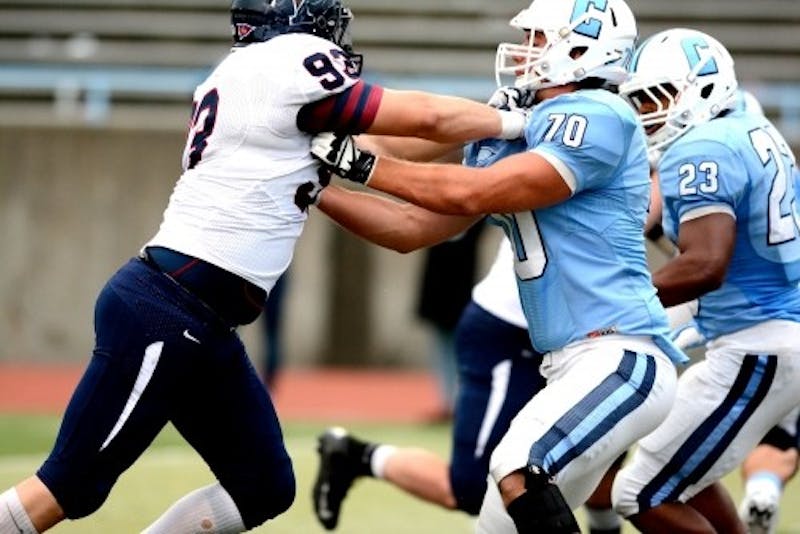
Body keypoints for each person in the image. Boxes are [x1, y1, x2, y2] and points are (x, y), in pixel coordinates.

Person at [0, 0, 533, 532]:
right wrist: (514, 120)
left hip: (201, 319)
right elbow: (426, 118)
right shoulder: (289, 60)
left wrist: (479, 131)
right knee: (66, 487)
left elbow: (385, 144)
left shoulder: (255, 78)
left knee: (262, 485)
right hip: (167, 308)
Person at [308, 0, 688, 531]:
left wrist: (364, 165)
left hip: (620, 354)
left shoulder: (601, 114)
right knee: (494, 522)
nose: (526, 50)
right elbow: (411, 230)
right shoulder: (533, 122)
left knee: (516, 464)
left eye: (538, 38)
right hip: (569, 362)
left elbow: (474, 191)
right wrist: (316, 192)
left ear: (582, 48)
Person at [611, 28, 800, 533]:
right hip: (767, 330)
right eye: (643, 99)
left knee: (639, 492)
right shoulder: (744, 122)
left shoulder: (702, 148)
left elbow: (704, 265)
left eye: (661, 95)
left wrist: (619, 308)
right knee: (675, 474)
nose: (651, 110)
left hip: (758, 341)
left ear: (703, 87)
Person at [415, 222, 486, 418]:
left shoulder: (474, 218)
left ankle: (459, 401)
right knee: (441, 346)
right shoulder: (431, 214)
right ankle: (446, 401)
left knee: (461, 348)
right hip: (437, 290)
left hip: (462, 289)